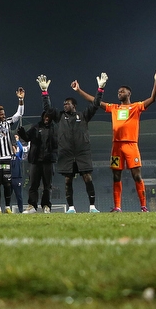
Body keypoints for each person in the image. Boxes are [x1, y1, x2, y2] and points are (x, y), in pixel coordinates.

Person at [77, 69, 156, 212]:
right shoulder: (114, 108)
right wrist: (79, 90)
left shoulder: (136, 107)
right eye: (118, 92)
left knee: (137, 175)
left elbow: (153, 99)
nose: (119, 93)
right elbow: (95, 101)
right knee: (116, 176)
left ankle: (143, 206)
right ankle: (117, 207)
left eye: (122, 91)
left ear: (129, 93)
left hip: (131, 145)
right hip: (116, 146)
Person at [59, 75, 105, 213]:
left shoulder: (83, 115)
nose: (65, 105)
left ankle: (92, 207)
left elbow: (96, 104)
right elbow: (47, 108)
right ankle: (71, 208)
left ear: (74, 105)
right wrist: (44, 93)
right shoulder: (61, 117)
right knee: (68, 180)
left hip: (82, 153)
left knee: (87, 178)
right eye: (64, 104)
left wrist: (100, 89)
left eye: (67, 103)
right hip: (67, 154)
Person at [16, 75, 58, 214]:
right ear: (42, 117)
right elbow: (27, 138)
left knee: (47, 185)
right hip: (35, 160)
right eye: (45, 116)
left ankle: (46, 206)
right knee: (33, 184)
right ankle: (32, 206)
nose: (46, 118)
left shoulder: (54, 128)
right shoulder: (36, 127)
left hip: (48, 161)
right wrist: (22, 133)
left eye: (48, 117)